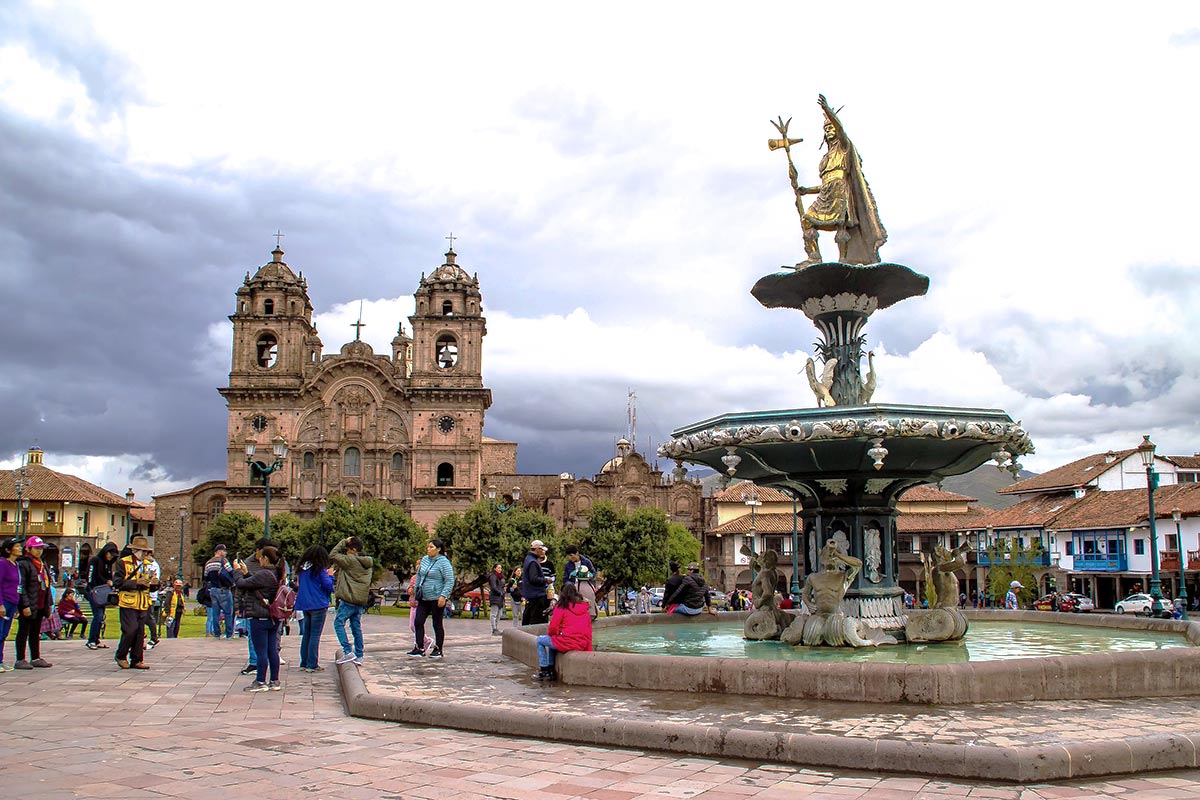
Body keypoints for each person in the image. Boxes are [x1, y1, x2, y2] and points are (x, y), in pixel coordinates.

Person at [233, 546, 283, 692]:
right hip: (273, 616)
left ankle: (260, 681)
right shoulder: (277, 573)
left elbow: (241, 584)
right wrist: (246, 573)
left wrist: (236, 571)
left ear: (266, 558)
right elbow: (257, 586)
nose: (259, 559)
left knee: (261, 650)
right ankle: (274, 680)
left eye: (260, 557)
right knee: (272, 650)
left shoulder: (264, 573)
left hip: (260, 616)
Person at [113, 536, 158, 670]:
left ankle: (137, 659)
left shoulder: (148, 565)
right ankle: (121, 655)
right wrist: (135, 583)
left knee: (139, 631)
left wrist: (155, 584)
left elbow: (151, 585)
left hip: (143, 602)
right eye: (144, 552)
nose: (146, 555)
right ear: (136, 551)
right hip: (128, 601)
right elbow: (117, 583)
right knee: (130, 629)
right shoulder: (123, 563)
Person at [533, 583, 593, 682]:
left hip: (566, 642)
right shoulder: (584, 609)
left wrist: (553, 635)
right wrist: (588, 651)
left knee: (540, 640)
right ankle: (551, 670)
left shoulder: (561, 606)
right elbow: (588, 632)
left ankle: (544, 671)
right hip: (580, 644)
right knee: (554, 641)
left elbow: (553, 627)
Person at [408, 538, 454, 659]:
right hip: (424, 597)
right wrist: (415, 588)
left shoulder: (443, 562)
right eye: (428, 547)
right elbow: (419, 575)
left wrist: (443, 595)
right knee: (418, 621)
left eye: (431, 547)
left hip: (436, 597)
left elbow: (449, 580)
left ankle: (438, 648)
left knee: (437, 623)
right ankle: (419, 647)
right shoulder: (424, 560)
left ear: (438, 549)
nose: (428, 549)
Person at [330, 536, 373, 666]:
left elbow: (332, 555)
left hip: (348, 599)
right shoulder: (367, 563)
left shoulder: (350, 560)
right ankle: (359, 655)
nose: (346, 551)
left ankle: (347, 651)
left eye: (348, 549)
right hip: (360, 600)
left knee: (338, 623)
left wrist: (343, 541)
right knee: (356, 627)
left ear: (353, 550)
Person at [14, 536, 55, 669]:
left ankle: (35, 657)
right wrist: (24, 605)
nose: (39, 551)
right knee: (23, 631)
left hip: (40, 603)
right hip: (29, 603)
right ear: (29, 549)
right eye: (36, 548)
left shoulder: (42, 563)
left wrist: (49, 605)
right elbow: (22, 586)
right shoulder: (24, 563)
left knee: (35, 632)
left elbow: (47, 585)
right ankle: (20, 658)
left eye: (41, 548)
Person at [296, 544, 334, 673]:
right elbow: (328, 586)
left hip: (305, 604)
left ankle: (304, 662)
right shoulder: (320, 570)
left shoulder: (302, 569)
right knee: (315, 635)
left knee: (306, 633)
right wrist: (331, 576)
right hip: (318, 603)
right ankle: (312, 664)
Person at [84, 541, 119, 650]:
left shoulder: (108, 565)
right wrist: (93, 587)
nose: (110, 557)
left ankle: (96, 638)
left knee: (101, 616)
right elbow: (90, 576)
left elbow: (109, 577)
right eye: (110, 554)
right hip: (94, 591)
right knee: (98, 615)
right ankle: (91, 640)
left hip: (103, 593)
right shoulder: (95, 561)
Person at [203, 545, 236, 639]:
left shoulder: (208, 563)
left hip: (213, 590)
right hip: (223, 589)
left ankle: (217, 633)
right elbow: (230, 572)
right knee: (228, 612)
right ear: (219, 551)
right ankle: (229, 633)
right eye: (224, 551)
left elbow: (206, 577)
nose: (225, 553)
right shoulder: (223, 561)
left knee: (215, 613)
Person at [0, 538, 22, 672]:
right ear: (8, 550)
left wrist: (17, 605)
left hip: (13, 602)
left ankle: (0, 660)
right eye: (17, 546)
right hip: (4, 602)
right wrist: (0, 604)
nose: (20, 548)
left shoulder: (16, 565)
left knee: (4, 633)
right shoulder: (2, 564)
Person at [520, 540, 551, 626]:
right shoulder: (533, 562)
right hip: (536, 596)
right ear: (537, 549)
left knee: (527, 619)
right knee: (537, 622)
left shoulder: (528, 559)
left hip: (530, 596)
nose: (543, 552)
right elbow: (533, 578)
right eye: (542, 550)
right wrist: (545, 580)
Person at [142, 553, 163, 649]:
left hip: (150, 595)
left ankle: (154, 637)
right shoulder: (150, 564)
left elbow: (153, 580)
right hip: (147, 595)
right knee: (144, 617)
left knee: (148, 617)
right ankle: (143, 635)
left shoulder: (152, 565)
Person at [487, 563, 505, 635]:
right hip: (495, 596)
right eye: (498, 568)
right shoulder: (493, 576)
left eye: (500, 568)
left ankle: (496, 628)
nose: (500, 569)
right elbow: (494, 587)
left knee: (499, 614)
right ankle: (494, 628)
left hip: (500, 597)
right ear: (494, 568)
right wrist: (500, 592)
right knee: (494, 613)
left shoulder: (500, 577)